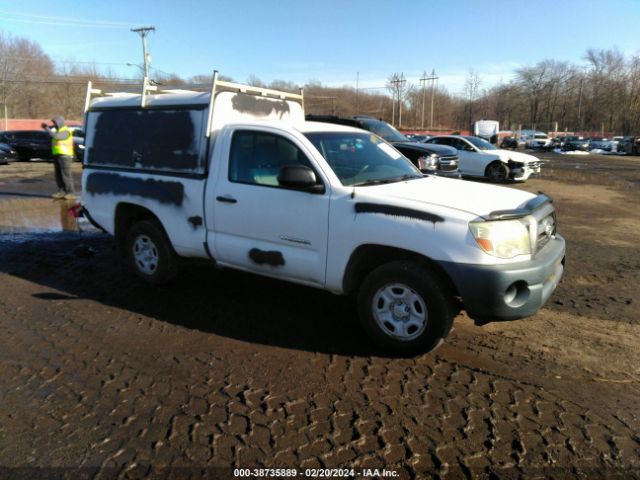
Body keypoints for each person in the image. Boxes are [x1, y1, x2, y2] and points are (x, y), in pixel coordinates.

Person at [42, 115, 75, 199]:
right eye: (54, 123)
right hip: (57, 155)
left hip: (65, 156)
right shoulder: (58, 130)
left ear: (60, 122)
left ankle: (70, 192)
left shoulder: (66, 131)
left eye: (55, 123)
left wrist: (47, 129)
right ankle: (61, 191)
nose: (54, 124)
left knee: (65, 175)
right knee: (58, 175)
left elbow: (56, 137)